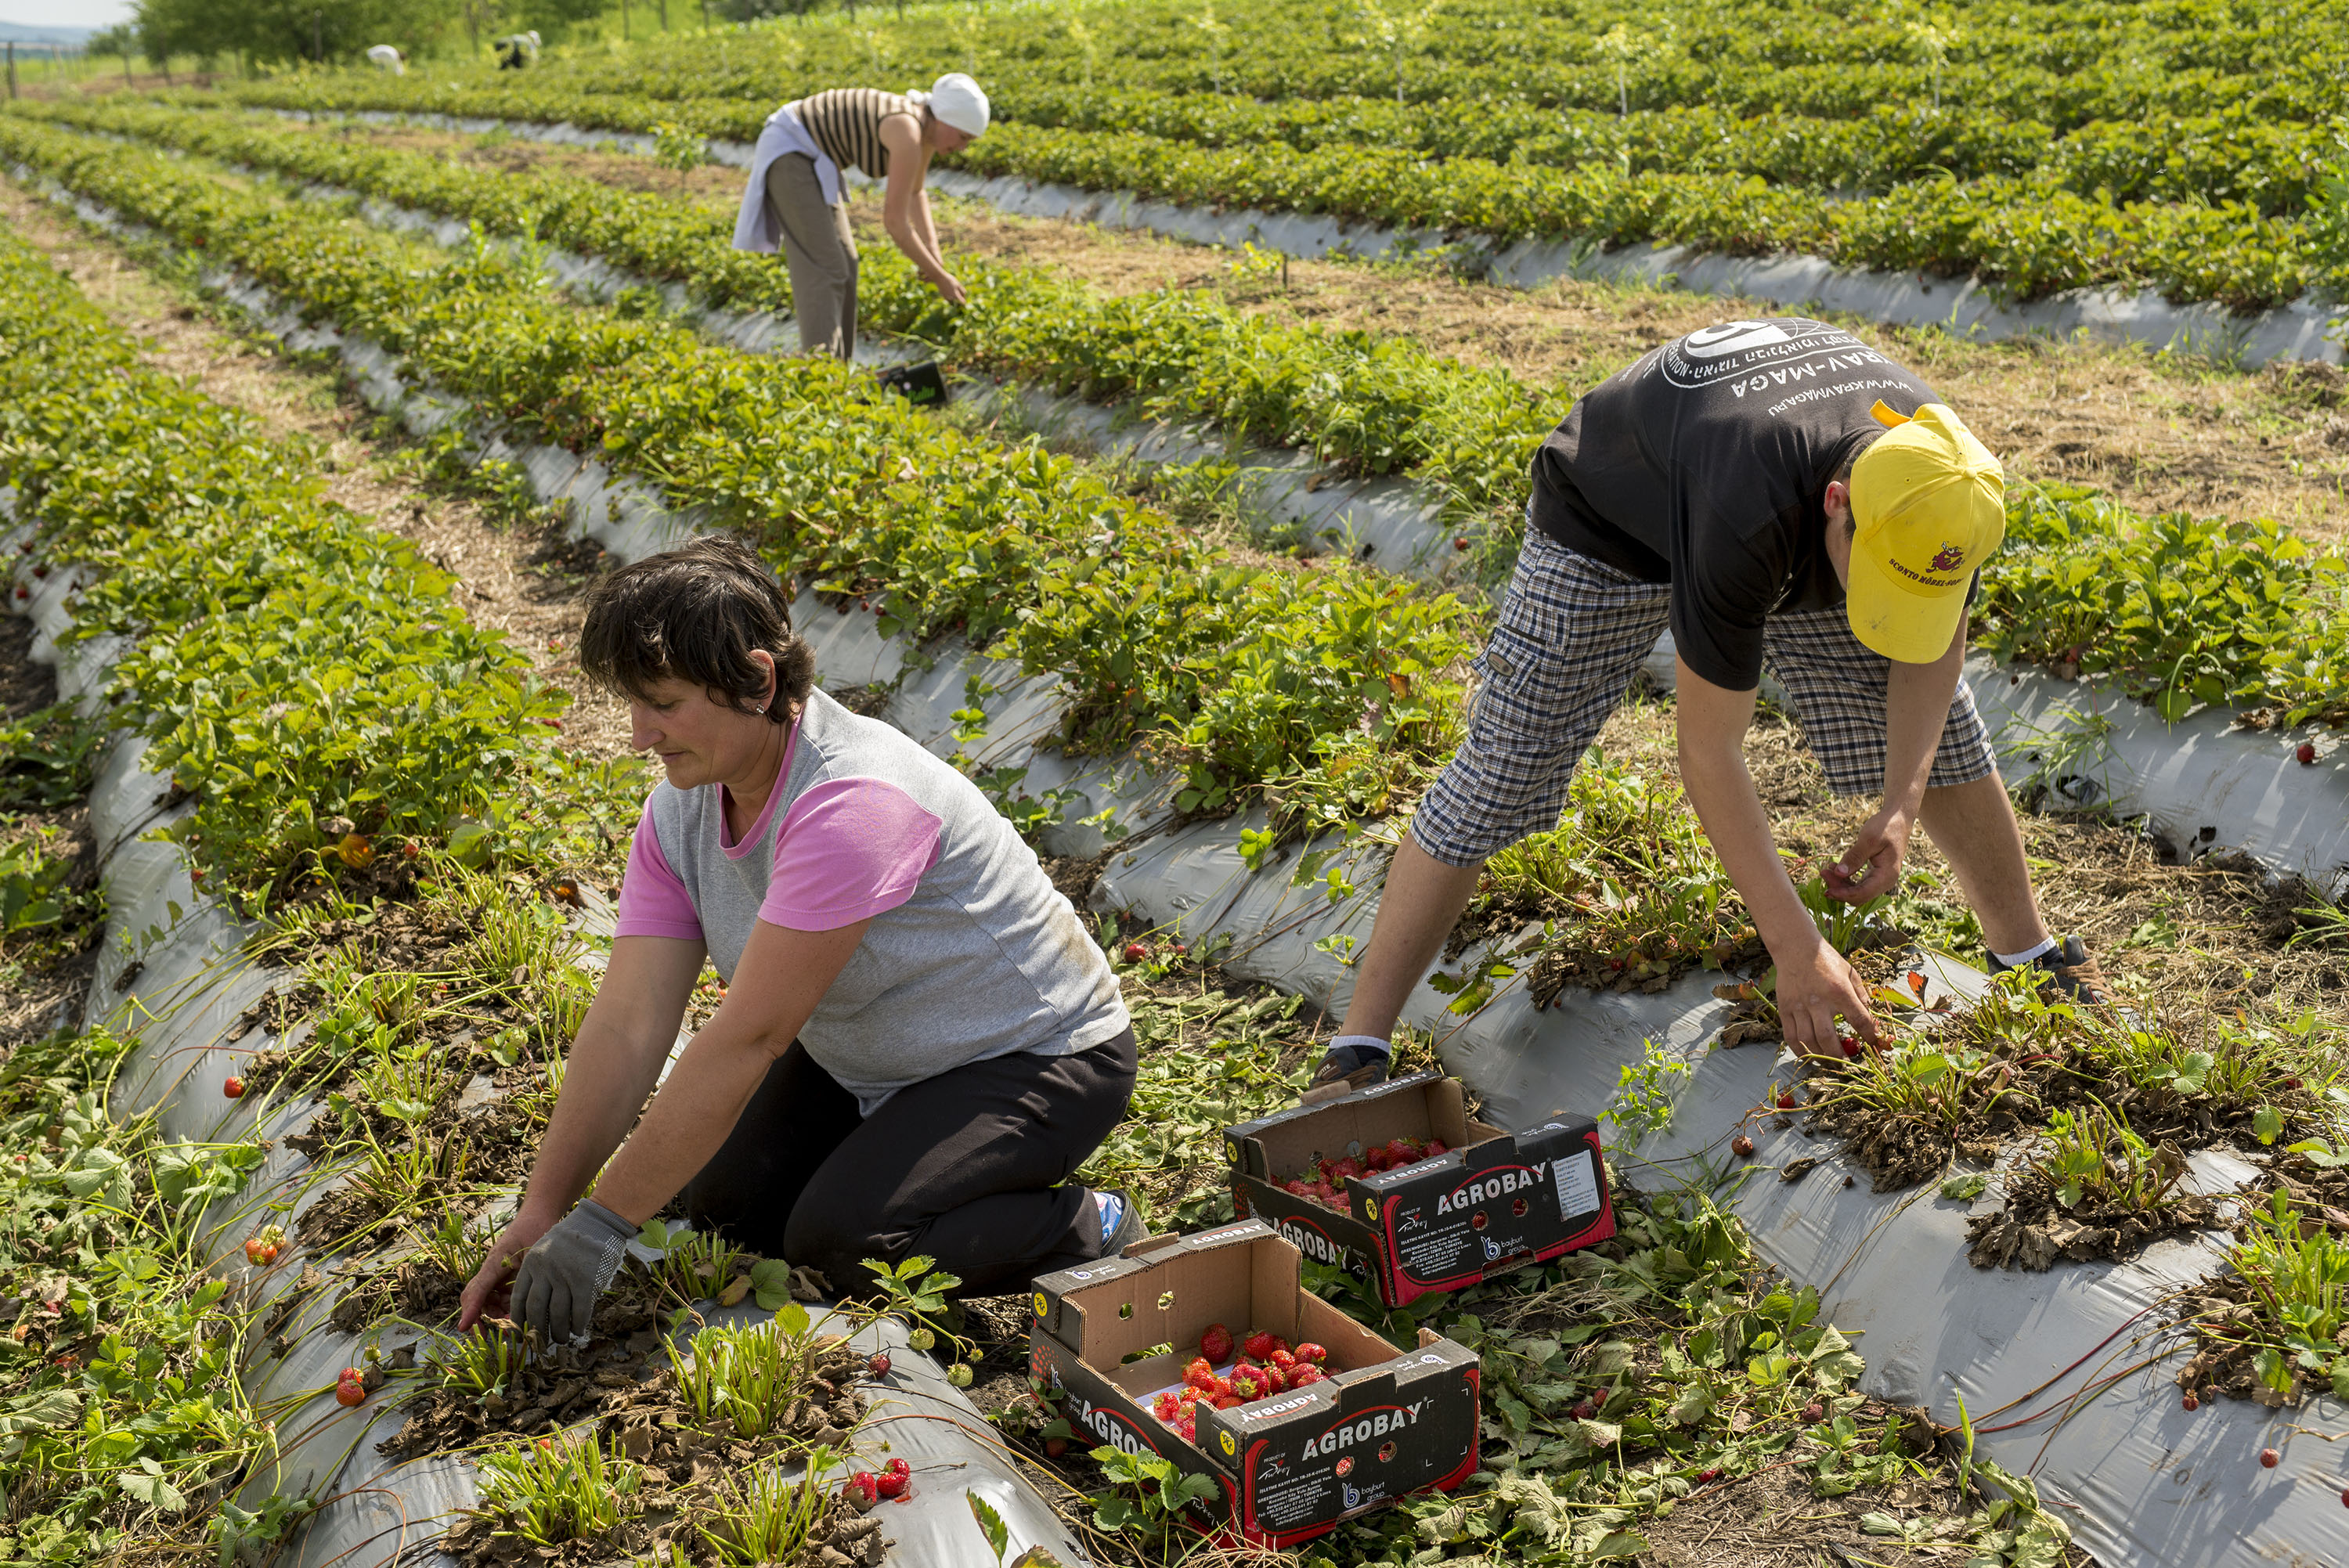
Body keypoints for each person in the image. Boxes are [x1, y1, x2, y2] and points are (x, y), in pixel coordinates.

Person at [1308, 317, 2112, 1102]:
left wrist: (1901, 803)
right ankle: (1358, 1045)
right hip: (1614, 520)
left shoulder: (1946, 488)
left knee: (1945, 735)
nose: (1883, 599)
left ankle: (2032, 955)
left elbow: (1932, 653)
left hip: (1777, 495)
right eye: (1875, 573)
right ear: (1838, 503)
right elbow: (1708, 751)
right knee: (1505, 767)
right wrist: (1796, 948)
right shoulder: (1750, 508)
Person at [458, 538, 1142, 1342]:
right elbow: (629, 1021)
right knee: (724, 1211)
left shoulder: (854, 802)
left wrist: (607, 1220)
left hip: (1031, 1055)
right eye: (632, 705)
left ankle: (1089, 1224)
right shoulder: (683, 813)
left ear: (757, 679)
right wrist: (545, 1211)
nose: (641, 733)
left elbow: (751, 1035)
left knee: (847, 1246)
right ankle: (894, 1152)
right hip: (873, 1049)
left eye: (665, 703)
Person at [730, 71, 988, 361]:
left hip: (815, 159)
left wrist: (933, 253)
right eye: (963, 137)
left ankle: (840, 369)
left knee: (846, 263)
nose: (963, 148)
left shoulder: (924, 132)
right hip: (791, 149)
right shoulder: (908, 131)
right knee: (826, 269)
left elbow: (916, 193)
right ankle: (821, 373)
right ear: (945, 120)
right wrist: (941, 278)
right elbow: (894, 222)